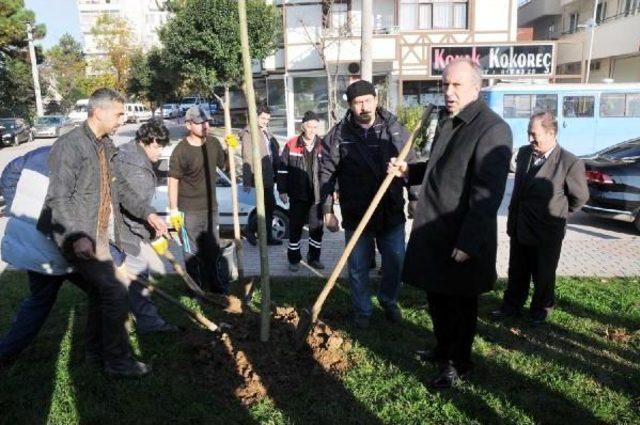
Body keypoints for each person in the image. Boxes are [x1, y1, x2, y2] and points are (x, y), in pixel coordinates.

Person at [390, 59, 512, 388]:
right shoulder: (449, 121)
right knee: (438, 299)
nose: (448, 92)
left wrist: (469, 242)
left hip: (462, 236)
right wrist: (408, 172)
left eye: (456, 85)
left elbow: (488, 193)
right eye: (445, 85)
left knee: (461, 306)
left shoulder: (492, 129)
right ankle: (442, 349)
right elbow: (438, 167)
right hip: (436, 233)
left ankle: (459, 363)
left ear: (476, 87)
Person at [37, 88, 166, 377]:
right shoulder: (70, 146)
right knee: (114, 290)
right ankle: (118, 362)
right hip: (78, 235)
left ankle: (95, 353)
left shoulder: (105, 145)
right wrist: (76, 236)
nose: (123, 119)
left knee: (100, 294)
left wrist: (148, 213)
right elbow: (58, 198)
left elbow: (119, 188)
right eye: (119, 113)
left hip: (100, 237)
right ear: (99, 112)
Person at [321, 79, 413, 329]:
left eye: (367, 100)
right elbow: (327, 174)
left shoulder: (395, 129)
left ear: (376, 100)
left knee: (396, 262)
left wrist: (414, 197)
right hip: (356, 213)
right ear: (350, 106)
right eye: (357, 103)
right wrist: (328, 210)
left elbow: (411, 164)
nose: (363, 107)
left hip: (390, 210)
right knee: (358, 267)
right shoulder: (338, 135)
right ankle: (362, 310)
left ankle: (388, 300)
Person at [491, 112, 588, 324]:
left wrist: (558, 214)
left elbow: (579, 198)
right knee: (517, 271)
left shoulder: (570, 162)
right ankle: (511, 306)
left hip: (547, 231)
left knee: (543, 275)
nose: (530, 139)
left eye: (534, 134)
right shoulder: (525, 153)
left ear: (551, 133)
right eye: (528, 133)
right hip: (519, 227)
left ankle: (540, 310)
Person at [115, 119, 178, 333]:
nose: (160, 152)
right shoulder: (137, 170)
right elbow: (131, 206)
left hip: (122, 230)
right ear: (145, 141)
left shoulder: (128, 152)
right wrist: (151, 232)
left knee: (128, 281)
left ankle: (125, 319)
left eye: (162, 146)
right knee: (138, 278)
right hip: (124, 233)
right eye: (157, 146)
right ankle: (150, 324)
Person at [168, 106, 227, 293]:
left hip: (211, 208)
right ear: (188, 124)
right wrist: (174, 210)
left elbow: (225, 166)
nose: (206, 126)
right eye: (201, 122)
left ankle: (216, 286)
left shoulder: (213, 143)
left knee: (213, 249)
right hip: (188, 211)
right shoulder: (181, 151)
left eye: (207, 121)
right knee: (191, 252)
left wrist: (230, 149)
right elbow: (172, 180)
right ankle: (196, 289)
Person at [278, 111, 325, 271]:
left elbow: (328, 170)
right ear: (303, 127)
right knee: (295, 228)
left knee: (316, 229)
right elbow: (283, 170)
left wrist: (333, 191)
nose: (313, 130)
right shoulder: (291, 144)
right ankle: (294, 260)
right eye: (310, 126)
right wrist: (282, 190)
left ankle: (314, 258)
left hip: (317, 196)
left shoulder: (323, 145)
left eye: (315, 127)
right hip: (297, 195)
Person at [240, 105, 282, 246]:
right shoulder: (249, 132)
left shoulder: (264, 131)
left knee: (268, 206)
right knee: (267, 205)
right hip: (259, 176)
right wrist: (247, 180)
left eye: (268, 119)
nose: (265, 121)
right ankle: (250, 229)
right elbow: (247, 157)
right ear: (255, 116)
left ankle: (266, 236)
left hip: (269, 175)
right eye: (263, 118)